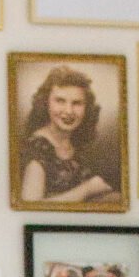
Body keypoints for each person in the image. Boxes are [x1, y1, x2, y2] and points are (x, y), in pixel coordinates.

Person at [19, 65, 117, 206]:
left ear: (87, 108)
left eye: (77, 103)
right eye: (60, 101)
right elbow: (30, 206)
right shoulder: (37, 147)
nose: (69, 111)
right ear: (46, 103)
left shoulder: (76, 142)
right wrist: (88, 189)